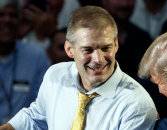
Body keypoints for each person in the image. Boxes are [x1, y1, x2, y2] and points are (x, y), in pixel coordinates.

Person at [0, 5, 157, 130]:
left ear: (116, 45)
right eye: (88, 50)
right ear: (69, 50)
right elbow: (36, 117)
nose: (98, 59)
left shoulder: (136, 104)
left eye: (105, 48)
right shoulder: (56, 74)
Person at [0, 0, 49, 125]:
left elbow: (42, 107)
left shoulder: (36, 56)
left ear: (19, 21)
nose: (7, 20)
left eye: (13, 15)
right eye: (1, 15)